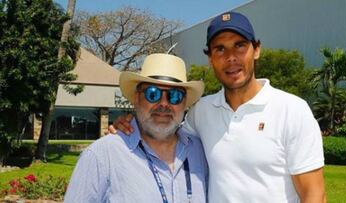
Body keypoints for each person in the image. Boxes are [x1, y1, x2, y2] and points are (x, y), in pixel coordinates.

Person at [112, 12, 325, 203]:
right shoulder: (201, 111)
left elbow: (314, 195)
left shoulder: (292, 110)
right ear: (210, 59)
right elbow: (162, 134)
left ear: (256, 50)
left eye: (240, 45)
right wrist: (131, 126)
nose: (231, 57)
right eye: (220, 49)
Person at [64, 53, 208, 202]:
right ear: (136, 99)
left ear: (184, 103)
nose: (164, 104)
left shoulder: (199, 152)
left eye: (175, 96)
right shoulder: (101, 156)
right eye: (153, 94)